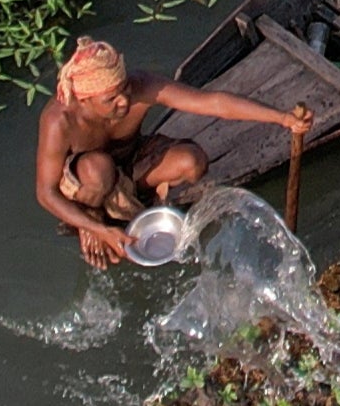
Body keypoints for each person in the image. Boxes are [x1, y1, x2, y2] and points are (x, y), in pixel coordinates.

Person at [34, 34, 303, 269]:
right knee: (98, 169)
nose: (124, 101)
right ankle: (93, 214)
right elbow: (45, 192)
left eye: (125, 90)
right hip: (89, 180)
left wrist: (282, 118)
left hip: (130, 163)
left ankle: (138, 201)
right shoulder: (60, 120)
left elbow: (213, 103)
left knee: (191, 162)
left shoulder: (142, 87)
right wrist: (94, 227)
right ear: (85, 99)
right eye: (110, 99)